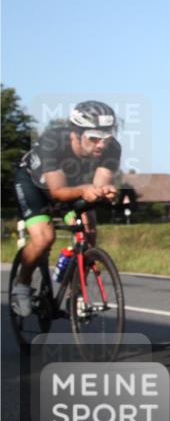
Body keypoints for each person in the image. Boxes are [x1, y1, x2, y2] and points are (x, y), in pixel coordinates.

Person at [11, 101, 120, 316]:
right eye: (94, 138)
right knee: (44, 238)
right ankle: (21, 285)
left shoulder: (112, 148)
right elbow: (57, 192)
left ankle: (76, 294)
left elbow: (97, 186)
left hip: (72, 185)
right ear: (75, 134)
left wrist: (105, 191)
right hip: (35, 184)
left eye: (106, 138)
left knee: (88, 232)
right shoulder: (53, 142)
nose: (101, 145)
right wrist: (86, 190)